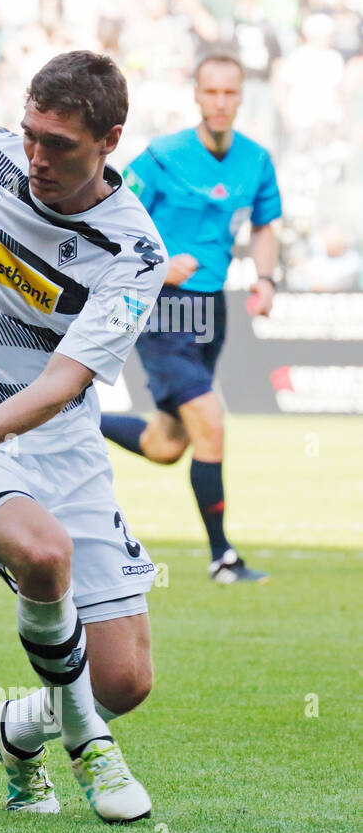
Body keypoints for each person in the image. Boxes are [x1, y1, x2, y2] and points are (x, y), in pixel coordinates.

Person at [0, 38, 166, 823]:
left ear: (110, 143)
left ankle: (15, 731)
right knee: (44, 554)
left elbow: (62, 385)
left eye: (59, 145)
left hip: (55, 448)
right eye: (30, 134)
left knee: (125, 681)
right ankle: (89, 746)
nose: (36, 156)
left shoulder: (134, 251)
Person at [103, 52, 281, 583]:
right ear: (197, 95)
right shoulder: (162, 156)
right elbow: (111, 213)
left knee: (167, 444)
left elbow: (266, 225)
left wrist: (265, 280)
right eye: (212, 92)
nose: (220, 102)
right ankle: (222, 558)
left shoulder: (256, 160)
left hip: (211, 308)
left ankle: (73, 417)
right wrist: (157, 260)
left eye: (230, 93)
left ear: (241, 96)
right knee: (211, 419)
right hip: (161, 308)